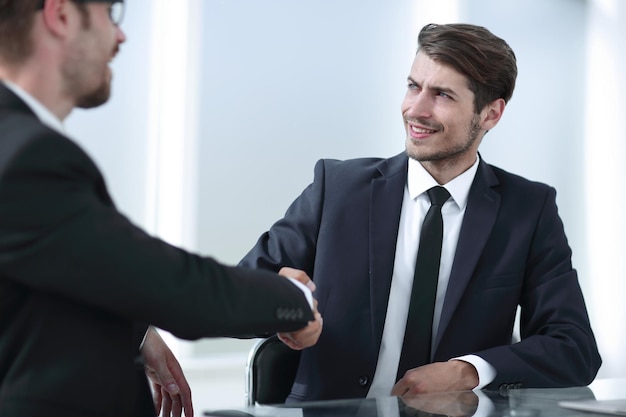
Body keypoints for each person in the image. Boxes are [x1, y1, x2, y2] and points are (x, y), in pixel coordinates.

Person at [239, 23, 601, 402]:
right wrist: (282, 304)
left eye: (442, 94)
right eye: (413, 86)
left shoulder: (528, 210)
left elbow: (574, 349)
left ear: (491, 114)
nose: (415, 108)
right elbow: (236, 293)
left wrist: (468, 371)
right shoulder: (338, 188)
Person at [0, 0, 322, 416]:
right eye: (109, 14)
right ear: (60, 16)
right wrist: (292, 299)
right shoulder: (28, 157)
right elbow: (165, 280)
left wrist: (136, 332)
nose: (121, 36)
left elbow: (61, 281)